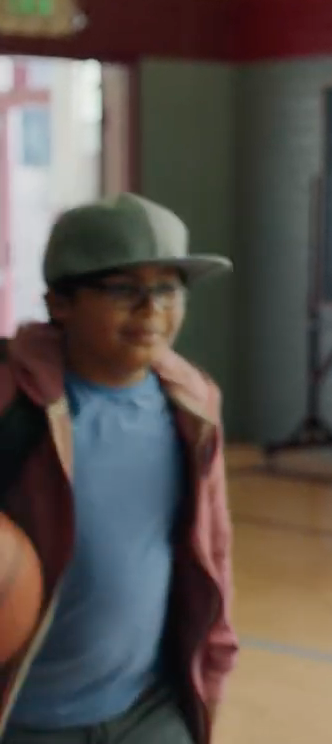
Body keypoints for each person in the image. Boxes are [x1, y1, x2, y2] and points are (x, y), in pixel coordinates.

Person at [0, 193, 238, 744]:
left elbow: (213, 548)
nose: (151, 308)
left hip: (147, 710)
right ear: (60, 303)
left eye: (168, 287)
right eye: (123, 289)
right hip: (27, 720)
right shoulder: (12, 399)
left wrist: (214, 667)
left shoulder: (194, 403)